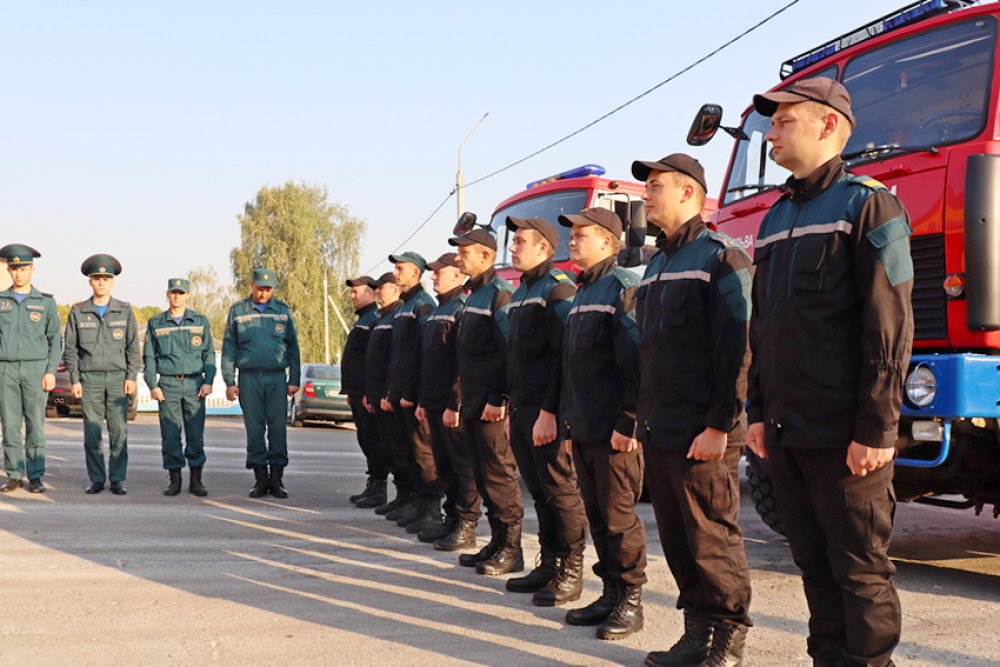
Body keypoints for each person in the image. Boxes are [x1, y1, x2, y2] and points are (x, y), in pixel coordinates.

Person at [747, 77, 913, 667]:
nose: (771, 133)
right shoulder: (774, 217)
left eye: (783, 121)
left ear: (828, 125)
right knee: (814, 567)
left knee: (860, 571)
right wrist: (758, 411)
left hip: (845, 435)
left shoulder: (868, 204)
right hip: (787, 431)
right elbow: (764, 326)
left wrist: (877, 427)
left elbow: (888, 324)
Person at [630, 154, 754, 666]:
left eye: (655, 186)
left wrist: (718, 424)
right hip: (661, 427)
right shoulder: (657, 264)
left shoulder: (720, 257)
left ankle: (728, 636)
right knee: (679, 540)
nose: (645, 195)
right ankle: (696, 632)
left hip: (703, 430)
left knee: (711, 538)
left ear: (687, 192)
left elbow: (739, 347)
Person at [557, 207, 645, 640]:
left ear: (609, 241)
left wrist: (629, 420)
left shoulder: (622, 287)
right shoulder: (583, 291)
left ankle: (630, 599)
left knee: (618, 518)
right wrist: (569, 427)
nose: (572, 241)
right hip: (585, 426)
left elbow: (638, 359)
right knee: (597, 516)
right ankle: (610, 592)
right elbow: (575, 367)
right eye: (571, 235)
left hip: (613, 430)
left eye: (581, 234)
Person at [502, 216, 588, 607]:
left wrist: (550, 411)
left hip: (545, 412)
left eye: (520, 241)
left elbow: (562, 356)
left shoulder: (558, 289)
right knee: (540, 492)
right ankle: (550, 562)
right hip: (522, 409)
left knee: (560, 491)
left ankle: (571, 568)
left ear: (543, 248)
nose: (513, 247)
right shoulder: (523, 290)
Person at [450, 227, 524, 575]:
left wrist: (499, 398)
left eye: (464, 252)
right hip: (473, 402)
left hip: (491, 405)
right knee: (482, 476)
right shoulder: (473, 296)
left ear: (486, 256)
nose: (458, 258)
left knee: (498, 476)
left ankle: (512, 548)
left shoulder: (499, 293)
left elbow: (507, 350)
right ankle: (496, 541)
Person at [415, 253, 479, 547]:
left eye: (439, 272)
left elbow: (461, 363)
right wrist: (424, 400)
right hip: (434, 402)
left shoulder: (461, 307)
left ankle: (466, 525)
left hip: (451, 404)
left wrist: (455, 403)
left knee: (462, 466)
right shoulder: (440, 309)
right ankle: (451, 519)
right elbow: (430, 362)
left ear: (456, 275)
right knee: (444, 465)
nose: (433, 277)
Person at [64, 254, 141, 495]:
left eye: (106, 279)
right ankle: (97, 479)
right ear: (90, 281)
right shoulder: (78, 312)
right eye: (97, 278)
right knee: (92, 432)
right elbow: (70, 350)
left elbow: (133, 348)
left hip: (118, 379)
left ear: (112, 282)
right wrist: (75, 379)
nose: (101, 283)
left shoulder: (125, 311)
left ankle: (118, 479)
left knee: (119, 432)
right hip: (90, 379)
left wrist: (131, 377)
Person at [221, 267, 301, 499]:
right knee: (254, 430)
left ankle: (276, 480)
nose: (264, 293)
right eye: (260, 288)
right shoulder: (238, 311)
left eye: (268, 289)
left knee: (278, 430)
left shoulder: (282, 311)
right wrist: (229, 381)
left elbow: (293, 347)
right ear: (252, 285)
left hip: (276, 378)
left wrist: (294, 379)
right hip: (249, 378)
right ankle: (260, 479)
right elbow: (229, 349)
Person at [143, 278, 216, 497]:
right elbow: (149, 356)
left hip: (195, 384)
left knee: (195, 434)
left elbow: (209, 353)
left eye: (181, 293)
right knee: (170, 434)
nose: (176, 296)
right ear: (167, 295)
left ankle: (196, 480)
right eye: (173, 292)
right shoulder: (156, 322)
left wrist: (208, 380)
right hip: (168, 384)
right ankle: (174, 479)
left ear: (188, 296)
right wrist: (152, 384)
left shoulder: (200, 321)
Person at [384, 252, 440, 533]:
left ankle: (430, 509)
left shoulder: (423, 304)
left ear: (416, 273)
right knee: (404, 450)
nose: (396, 273)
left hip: (413, 395)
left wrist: (412, 392)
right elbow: (398, 356)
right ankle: (409, 500)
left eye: (400, 269)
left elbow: (422, 353)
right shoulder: (403, 306)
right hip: (398, 393)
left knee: (423, 454)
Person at [0, 244, 60, 493]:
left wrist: (50, 371)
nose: (18, 273)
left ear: (32, 270)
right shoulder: (1, 300)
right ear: (8, 270)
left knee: (36, 425)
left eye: (23, 268)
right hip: (5, 369)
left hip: (35, 370)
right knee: (10, 425)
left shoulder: (45, 302)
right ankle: (14, 474)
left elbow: (55, 339)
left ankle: (35, 476)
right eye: (14, 268)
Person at [341, 275, 389, 508]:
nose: (352, 296)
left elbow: (374, 360)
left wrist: (369, 392)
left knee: (373, 439)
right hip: (358, 392)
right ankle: (373, 484)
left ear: (370, 293)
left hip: (367, 393)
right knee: (366, 439)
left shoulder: (374, 319)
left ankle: (379, 488)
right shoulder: (364, 319)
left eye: (356, 292)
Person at [364, 273, 404, 513]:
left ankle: (413, 501)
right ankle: (401, 498)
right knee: (390, 450)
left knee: (402, 450)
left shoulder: (398, 315)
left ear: (396, 290)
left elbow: (396, 360)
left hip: (391, 396)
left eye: (382, 288)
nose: (377, 292)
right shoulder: (383, 317)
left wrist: (389, 392)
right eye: (376, 289)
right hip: (379, 394)